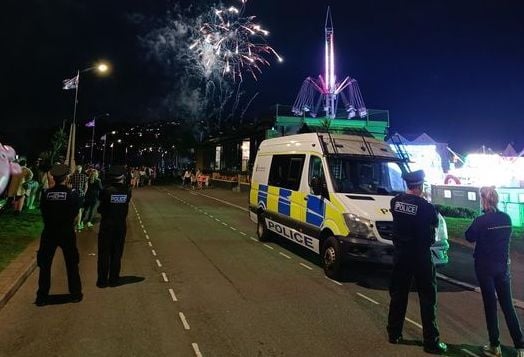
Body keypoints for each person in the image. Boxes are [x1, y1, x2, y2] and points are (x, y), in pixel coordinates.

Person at [387, 169, 447, 354]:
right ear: (420, 186)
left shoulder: (395, 202)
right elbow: (432, 229)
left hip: (401, 255)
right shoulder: (427, 208)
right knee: (428, 298)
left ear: (407, 185)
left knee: (398, 294)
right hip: (420, 257)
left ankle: (394, 333)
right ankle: (431, 341)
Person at [465, 186, 524, 357]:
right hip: (502, 266)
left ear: (483, 200)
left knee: (490, 306)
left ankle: (494, 345)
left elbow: (469, 236)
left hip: (485, 267)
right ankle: (520, 346)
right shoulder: (506, 218)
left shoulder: (481, 221)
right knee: (508, 306)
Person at [35, 164, 82, 306]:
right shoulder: (72, 194)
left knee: (45, 265)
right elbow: (75, 211)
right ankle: (75, 293)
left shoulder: (46, 194)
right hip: (66, 232)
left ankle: (42, 296)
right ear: (66, 177)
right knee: (72, 264)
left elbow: (43, 211)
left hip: (49, 232)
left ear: (54, 178)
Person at [97, 165, 132, 288]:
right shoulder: (127, 191)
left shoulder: (106, 191)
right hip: (120, 225)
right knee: (117, 253)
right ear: (122, 177)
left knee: (104, 253)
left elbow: (101, 209)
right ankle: (114, 279)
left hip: (107, 225)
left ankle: (102, 280)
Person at [69, 165, 88, 231]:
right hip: (80, 194)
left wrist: (72, 189)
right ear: (81, 169)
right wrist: (84, 193)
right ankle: (78, 224)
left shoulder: (73, 176)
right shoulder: (84, 176)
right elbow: (86, 186)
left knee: (73, 209)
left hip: (74, 193)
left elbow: (70, 184)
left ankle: (72, 224)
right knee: (79, 210)